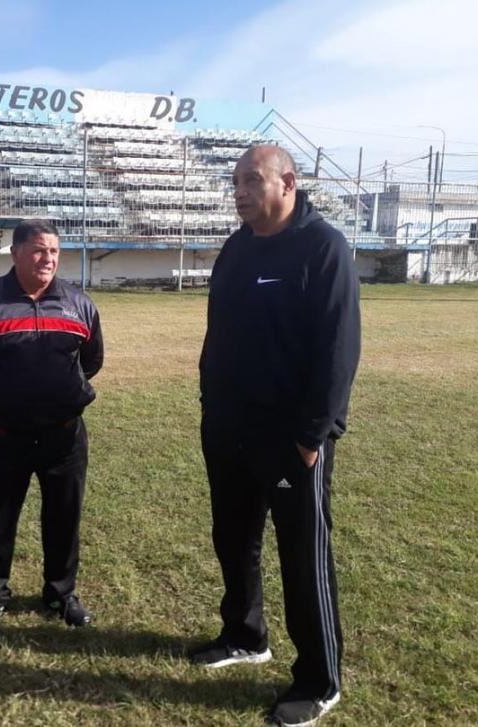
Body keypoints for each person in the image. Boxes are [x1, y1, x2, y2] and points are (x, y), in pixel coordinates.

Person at [192, 145, 361, 727]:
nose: (239, 190)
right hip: (229, 430)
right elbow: (219, 336)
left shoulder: (323, 248)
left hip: (291, 439)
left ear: (287, 182)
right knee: (233, 539)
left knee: (302, 553)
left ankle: (320, 677)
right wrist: (211, 407)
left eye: (251, 180)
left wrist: (313, 435)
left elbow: (338, 351)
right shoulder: (237, 249)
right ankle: (245, 634)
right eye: (235, 181)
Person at [0, 219, 103, 637]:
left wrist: (59, 393)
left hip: (64, 435)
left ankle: (60, 593)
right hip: (3, 436)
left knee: (64, 516)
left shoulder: (78, 303)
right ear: (15, 253)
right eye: (38, 250)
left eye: (53, 250)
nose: (47, 258)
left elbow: (92, 361)